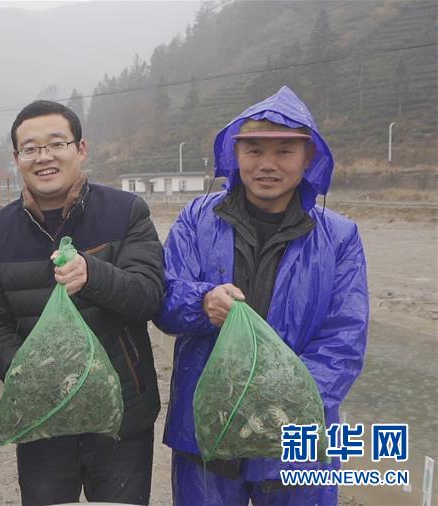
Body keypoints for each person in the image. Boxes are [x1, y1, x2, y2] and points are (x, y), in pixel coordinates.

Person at [155, 86, 369, 505]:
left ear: (308, 158)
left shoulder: (340, 237)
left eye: (284, 151)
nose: (267, 165)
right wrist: (202, 303)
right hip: (206, 433)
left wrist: (281, 408)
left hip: (297, 444)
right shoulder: (197, 219)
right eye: (253, 150)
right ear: (235, 155)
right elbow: (163, 298)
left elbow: (344, 339)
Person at [0, 100, 164, 506]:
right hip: (43, 421)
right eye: (30, 148)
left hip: (121, 417)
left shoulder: (126, 212)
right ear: (16, 158)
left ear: (81, 148)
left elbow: (148, 296)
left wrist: (92, 274)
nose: (43, 157)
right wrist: (34, 379)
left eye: (56, 143)